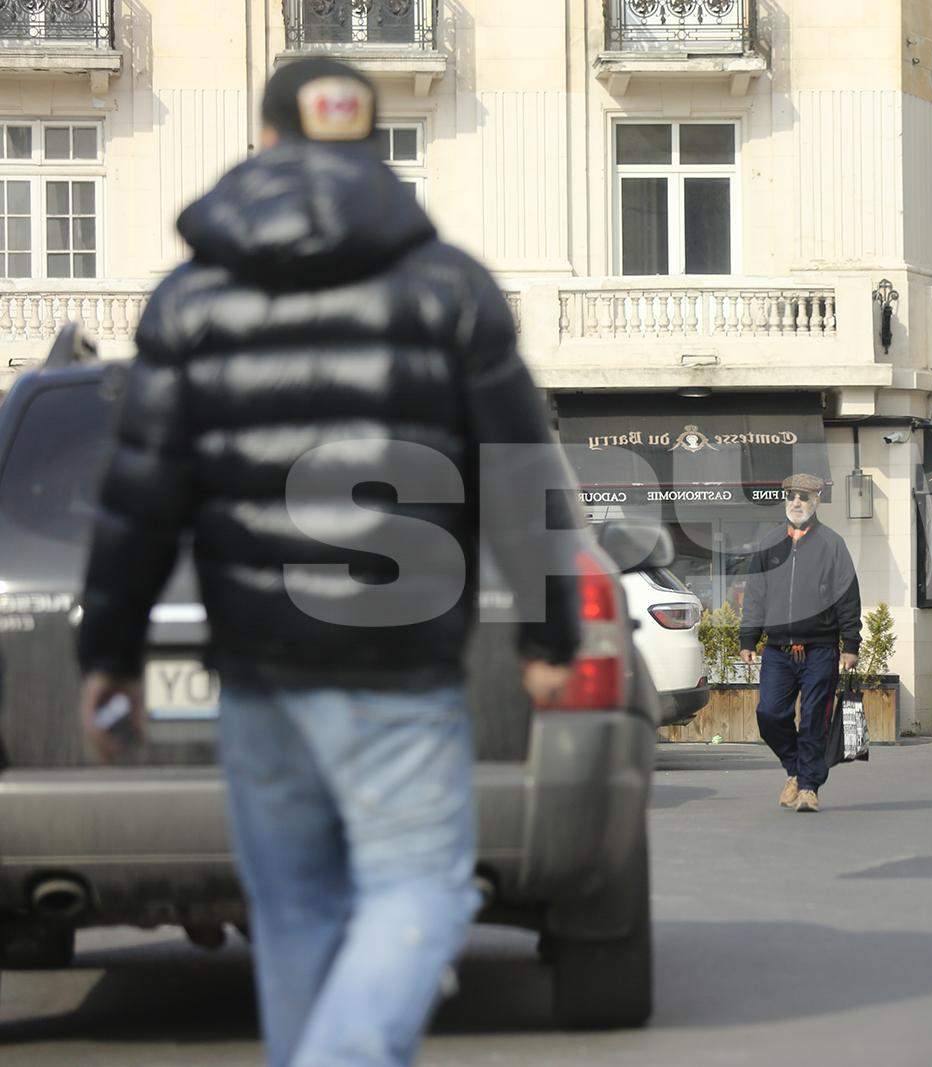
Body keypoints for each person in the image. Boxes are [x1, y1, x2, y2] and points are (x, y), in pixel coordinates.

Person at [74, 58, 579, 1067]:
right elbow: (522, 474)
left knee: (295, 906)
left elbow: (142, 498)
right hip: (400, 663)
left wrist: (112, 656)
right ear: (373, 145)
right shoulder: (452, 289)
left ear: (262, 143)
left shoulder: (189, 299)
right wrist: (548, 632)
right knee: (421, 887)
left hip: (261, 672)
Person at [738, 473, 862, 813]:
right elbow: (756, 594)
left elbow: (848, 598)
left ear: (816, 501)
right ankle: (795, 769)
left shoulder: (832, 544)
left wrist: (850, 644)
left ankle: (809, 787)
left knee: (813, 721)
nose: (797, 503)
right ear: (785, 500)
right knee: (769, 714)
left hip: (820, 649)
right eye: (791, 496)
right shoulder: (769, 544)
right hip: (777, 650)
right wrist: (748, 637)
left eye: (804, 497)